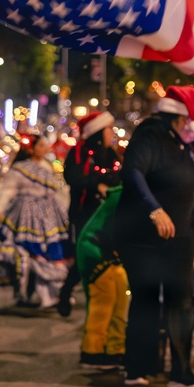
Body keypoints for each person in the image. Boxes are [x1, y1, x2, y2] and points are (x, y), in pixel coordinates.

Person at [114, 86, 194, 387]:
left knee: (180, 303)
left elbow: (186, 191)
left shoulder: (181, 144)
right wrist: (154, 211)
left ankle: (180, 373)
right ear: (182, 119)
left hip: (180, 237)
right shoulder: (151, 135)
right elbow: (132, 172)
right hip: (144, 237)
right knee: (146, 300)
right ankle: (137, 370)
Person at [0, 128, 71, 308]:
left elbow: (56, 191)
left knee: (50, 254)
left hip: (50, 217)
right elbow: (7, 192)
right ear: (31, 149)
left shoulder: (47, 166)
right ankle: (29, 293)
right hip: (26, 218)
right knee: (33, 255)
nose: (45, 148)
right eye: (41, 145)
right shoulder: (19, 169)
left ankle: (52, 294)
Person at [57, 109, 122, 317]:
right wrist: (97, 185)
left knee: (105, 254)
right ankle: (66, 292)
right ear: (98, 130)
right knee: (84, 255)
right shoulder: (80, 151)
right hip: (83, 212)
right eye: (109, 128)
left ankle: (99, 295)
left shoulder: (111, 153)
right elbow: (73, 178)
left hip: (106, 213)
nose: (112, 132)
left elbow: (118, 176)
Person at [75, 185, 129, 372]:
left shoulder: (131, 193)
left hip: (110, 253)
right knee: (104, 304)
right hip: (97, 251)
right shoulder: (126, 195)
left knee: (120, 302)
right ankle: (93, 351)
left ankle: (114, 350)